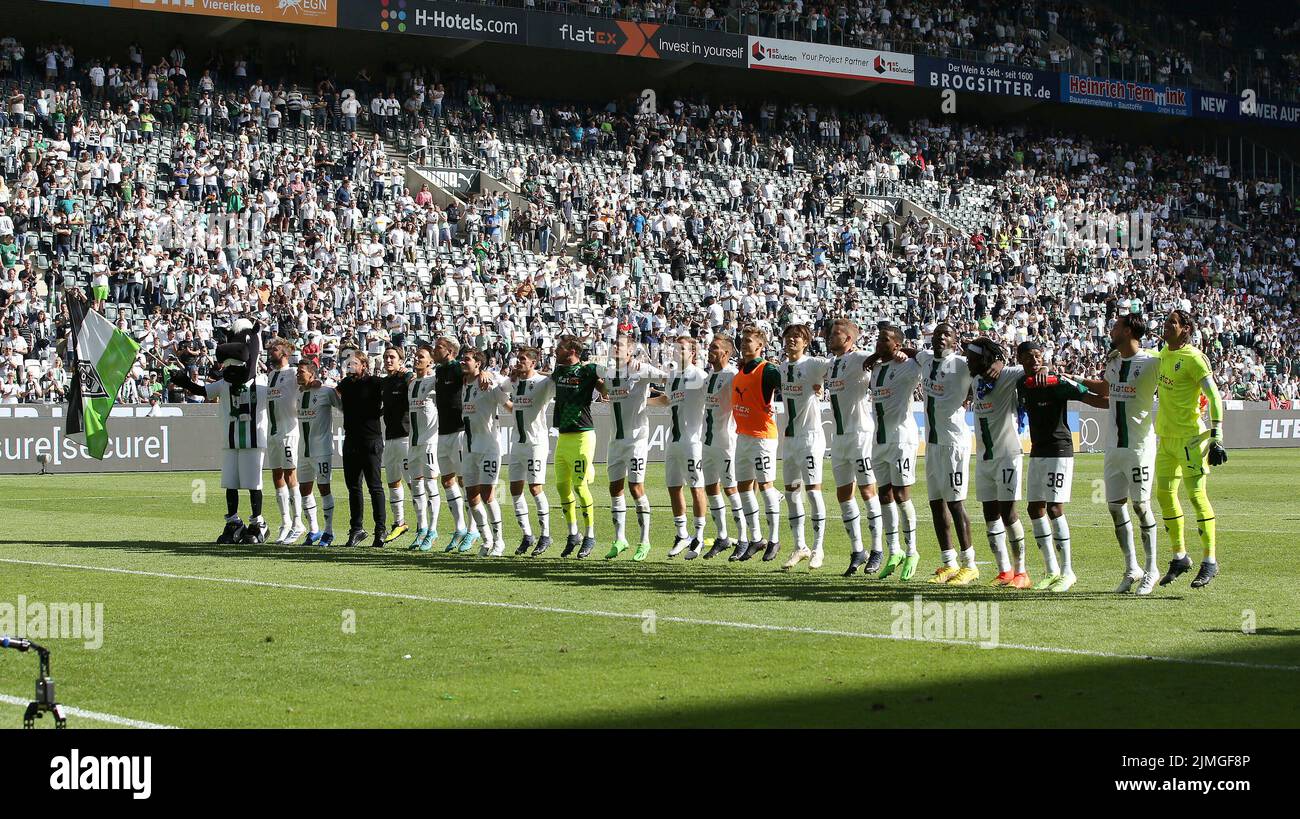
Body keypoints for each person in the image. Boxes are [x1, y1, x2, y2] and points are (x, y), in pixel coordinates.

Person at [1016, 341, 1108, 591]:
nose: (1034, 360)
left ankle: (1068, 571)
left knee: (1055, 507)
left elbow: (1100, 400)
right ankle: (1051, 570)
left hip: (1059, 449)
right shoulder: (1021, 384)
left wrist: (1123, 401)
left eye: (1038, 356)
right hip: (1037, 450)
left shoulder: (1057, 382)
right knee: (1034, 508)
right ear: (1020, 360)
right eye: (1028, 357)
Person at [168, 319, 269, 544]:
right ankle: (233, 520)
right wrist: (184, 381)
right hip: (230, 439)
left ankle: (257, 522)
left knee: (254, 482)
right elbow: (202, 391)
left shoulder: (261, 382)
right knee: (230, 482)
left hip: (253, 440)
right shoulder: (224, 384)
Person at [1153, 310, 1228, 589]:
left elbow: (1214, 395)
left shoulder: (1194, 358)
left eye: (1172, 322)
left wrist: (1217, 436)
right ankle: (1180, 557)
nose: (1166, 325)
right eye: (1166, 321)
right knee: (1164, 495)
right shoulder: (1162, 353)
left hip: (1191, 440)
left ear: (1185, 329)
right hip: (1166, 438)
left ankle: (1210, 561)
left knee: (1196, 496)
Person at [1088, 315, 1161, 594]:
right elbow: (1105, 390)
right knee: (1115, 507)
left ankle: (1152, 569)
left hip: (1139, 448)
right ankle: (1132, 568)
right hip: (1113, 448)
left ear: (1128, 331)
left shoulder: (1152, 362)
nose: (1111, 330)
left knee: (1141, 506)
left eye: (1116, 326)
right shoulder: (1114, 361)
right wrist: (1072, 380)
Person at [818, 318, 887, 576]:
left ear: (848, 339)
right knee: (843, 495)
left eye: (836, 334)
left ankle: (877, 549)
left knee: (868, 492)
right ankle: (858, 550)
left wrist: (899, 353)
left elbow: (884, 355)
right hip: (839, 439)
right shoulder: (831, 364)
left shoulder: (859, 358)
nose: (830, 336)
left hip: (860, 435)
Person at [964, 338, 1030, 588]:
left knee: (1008, 513)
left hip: (1007, 456)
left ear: (985, 358)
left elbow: (1033, 367)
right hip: (983, 458)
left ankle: (1021, 572)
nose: (967, 361)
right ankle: (1004, 571)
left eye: (971, 357)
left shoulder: (1007, 374)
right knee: (990, 513)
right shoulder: (975, 379)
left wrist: (1002, 363)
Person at [603, 334, 669, 561]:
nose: (615, 348)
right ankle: (620, 539)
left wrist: (656, 400)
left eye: (620, 346)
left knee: (635, 487)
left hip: (637, 440)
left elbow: (670, 379)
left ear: (630, 352)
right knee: (615, 488)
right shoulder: (610, 373)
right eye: (615, 345)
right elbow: (605, 392)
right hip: (615, 441)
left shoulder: (642, 369)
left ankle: (645, 541)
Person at [775, 324, 831, 570]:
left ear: (806, 342)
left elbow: (838, 367)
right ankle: (800, 546)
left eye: (797, 337)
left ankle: (818, 547)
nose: (791, 341)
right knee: (791, 492)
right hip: (790, 439)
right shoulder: (783, 367)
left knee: (813, 491)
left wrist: (822, 387)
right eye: (788, 337)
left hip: (810, 437)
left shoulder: (813, 364)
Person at [870, 324, 923, 579]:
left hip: (902, 439)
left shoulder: (908, 366)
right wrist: (876, 356)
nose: (879, 343)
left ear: (897, 345)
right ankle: (895, 550)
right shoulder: (876, 368)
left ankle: (912, 551)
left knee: (902, 495)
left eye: (885, 340)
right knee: (884, 495)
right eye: (879, 339)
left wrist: (909, 352)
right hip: (879, 440)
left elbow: (927, 356)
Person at [549, 336, 607, 558]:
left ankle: (590, 535)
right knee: (562, 487)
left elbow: (607, 384)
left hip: (583, 435)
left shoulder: (589, 370)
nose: (555, 350)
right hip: (563, 436)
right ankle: (573, 534)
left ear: (572, 350)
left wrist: (603, 386)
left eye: (559, 347)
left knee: (580, 488)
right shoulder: (559, 371)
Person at [732, 325, 783, 562]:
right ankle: (756, 538)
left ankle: (774, 539)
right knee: (744, 488)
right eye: (743, 340)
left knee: (765, 487)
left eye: (749, 341)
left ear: (761, 346)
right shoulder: (740, 371)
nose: (744, 344)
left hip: (762, 437)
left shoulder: (768, 369)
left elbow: (789, 383)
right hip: (742, 436)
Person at [656, 335, 710, 558]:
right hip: (674, 441)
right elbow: (667, 400)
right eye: (674, 348)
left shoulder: (699, 375)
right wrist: (639, 401)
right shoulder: (672, 377)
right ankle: (682, 535)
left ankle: (698, 536)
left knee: (696, 487)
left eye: (682, 349)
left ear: (693, 353)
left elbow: (715, 396)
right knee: (673, 487)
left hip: (692, 442)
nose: (677, 352)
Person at [459, 349, 513, 557]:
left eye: (467, 359)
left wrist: (490, 374)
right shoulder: (462, 384)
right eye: (462, 358)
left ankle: (499, 541)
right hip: (469, 448)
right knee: (471, 497)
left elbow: (506, 400)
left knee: (488, 494)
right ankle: (486, 539)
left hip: (489, 447)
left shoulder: (488, 384)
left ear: (479, 364)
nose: (463, 362)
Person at [699, 335, 748, 559]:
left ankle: (744, 538)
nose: (710, 350)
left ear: (726, 353)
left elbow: (746, 397)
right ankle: (722, 537)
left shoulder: (732, 376)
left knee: (730, 489)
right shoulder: (710, 375)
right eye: (709, 347)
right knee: (711, 488)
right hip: (707, 443)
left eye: (715, 348)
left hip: (726, 442)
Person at [505, 347, 556, 556]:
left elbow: (556, 379)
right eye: (518, 359)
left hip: (536, 443)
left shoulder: (542, 383)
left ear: (533, 363)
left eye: (523, 360)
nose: (519, 362)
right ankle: (527, 535)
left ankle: (546, 534)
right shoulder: (515, 381)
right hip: (517, 443)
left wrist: (540, 373)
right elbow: (498, 390)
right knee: (515, 490)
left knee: (535, 488)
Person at [335, 349, 387, 548]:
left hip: (371, 439)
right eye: (349, 363)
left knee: (375, 486)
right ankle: (356, 529)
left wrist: (378, 413)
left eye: (354, 363)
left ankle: (380, 530)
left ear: (364, 365)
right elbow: (334, 393)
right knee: (354, 487)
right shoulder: (346, 384)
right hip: (351, 440)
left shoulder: (374, 382)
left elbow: (391, 392)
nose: (350, 366)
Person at [431, 337, 479, 553]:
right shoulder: (439, 371)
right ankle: (459, 527)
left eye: (438, 347)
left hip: (460, 431)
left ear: (449, 351)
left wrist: (484, 373)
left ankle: (473, 528)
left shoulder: (458, 369)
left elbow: (476, 374)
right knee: (447, 481)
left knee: (464, 481)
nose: (434, 349)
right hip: (443, 432)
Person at [294, 358, 341, 546]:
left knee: (324, 488)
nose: (298, 374)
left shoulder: (325, 392)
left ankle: (329, 531)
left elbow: (343, 406)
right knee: (304, 489)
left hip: (321, 449)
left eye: (302, 372)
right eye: (297, 371)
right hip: (303, 450)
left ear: (312, 374)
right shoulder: (297, 393)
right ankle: (314, 530)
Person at [265, 337, 305, 544]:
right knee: (276, 475)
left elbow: (308, 384)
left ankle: (299, 522)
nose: (271, 351)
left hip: (289, 431)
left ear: (285, 353)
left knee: (291, 475)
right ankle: (285, 522)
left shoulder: (293, 373)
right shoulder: (271, 375)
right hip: (272, 433)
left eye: (275, 349)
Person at [404, 343, 441, 551]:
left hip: (429, 442)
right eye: (416, 355)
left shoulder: (433, 380)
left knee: (430, 485)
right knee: (416, 486)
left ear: (430, 361)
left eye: (422, 356)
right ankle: (422, 528)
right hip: (413, 442)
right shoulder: (411, 382)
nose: (417, 358)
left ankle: (433, 530)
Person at [379, 346, 413, 543]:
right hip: (389, 438)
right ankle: (399, 522)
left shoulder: (406, 378)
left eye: (392, 357)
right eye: (385, 357)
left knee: (413, 483)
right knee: (393, 482)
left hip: (406, 437)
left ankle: (424, 526)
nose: (388, 360)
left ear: (400, 360)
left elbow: (418, 381)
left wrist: (408, 374)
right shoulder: (384, 382)